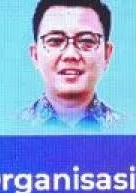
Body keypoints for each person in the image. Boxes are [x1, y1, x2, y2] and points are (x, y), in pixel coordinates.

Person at [20, 0, 123, 131]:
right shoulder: (13, 128)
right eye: (55, 41)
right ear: (35, 55)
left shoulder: (127, 131)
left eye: (86, 41)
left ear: (107, 54)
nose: (71, 54)